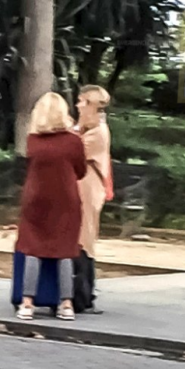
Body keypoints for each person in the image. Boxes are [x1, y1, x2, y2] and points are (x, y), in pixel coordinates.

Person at [15, 93, 87, 321]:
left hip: (35, 199)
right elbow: (81, 171)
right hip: (65, 200)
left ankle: (27, 303)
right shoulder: (73, 141)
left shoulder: (33, 140)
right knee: (65, 249)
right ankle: (66, 305)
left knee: (32, 248)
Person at [75, 85, 113, 309]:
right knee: (81, 236)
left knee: (84, 238)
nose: (78, 105)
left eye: (82, 101)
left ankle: (83, 292)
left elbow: (75, 150)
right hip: (83, 187)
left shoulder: (97, 132)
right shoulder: (87, 128)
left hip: (88, 190)